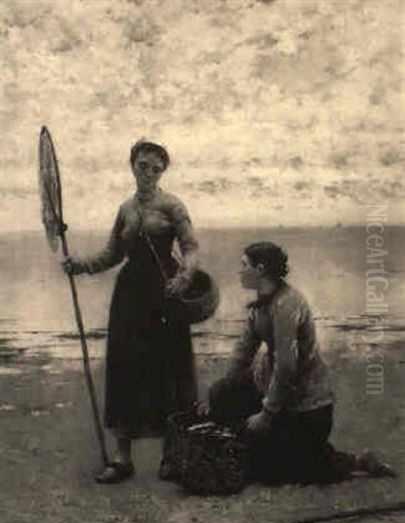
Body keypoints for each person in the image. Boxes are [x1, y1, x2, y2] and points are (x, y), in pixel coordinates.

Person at [63, 140, 199, 483]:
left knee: (168, 369)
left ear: (162, 171)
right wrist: (79, 266)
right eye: (143, 165)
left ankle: (171, 456)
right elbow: (112, 254)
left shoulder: (172, 205)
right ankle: (123, 459)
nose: (149, 173)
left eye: (156, 167)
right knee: (125, 368)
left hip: (165, 295)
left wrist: (185, 276)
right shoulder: (125, 209)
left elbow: (190, 247)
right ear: (132, 166)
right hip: (129, 298)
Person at [208, 242, 396, 484]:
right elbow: (243, 352)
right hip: (274, 390)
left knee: (278, 471)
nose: (239, 271)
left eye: (244, 265)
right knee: (220, 394)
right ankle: (250, 446)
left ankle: (357, 461)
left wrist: (266, 415)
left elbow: (286, 367)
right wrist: (221, 393)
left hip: (307, 407)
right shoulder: (261, 303)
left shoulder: (287, 304)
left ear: (261, 269)